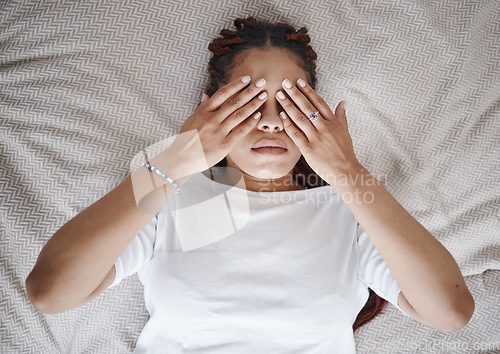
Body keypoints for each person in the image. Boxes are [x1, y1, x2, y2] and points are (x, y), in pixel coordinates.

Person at [26, 16, 474, 353]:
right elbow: (51, 293)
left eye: (290, 102)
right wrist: (179, 158)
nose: (273, 123)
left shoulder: (350, 206)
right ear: (210, 110)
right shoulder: (171, 189)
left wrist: (346, 171)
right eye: (249, 102)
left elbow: (450, 313)